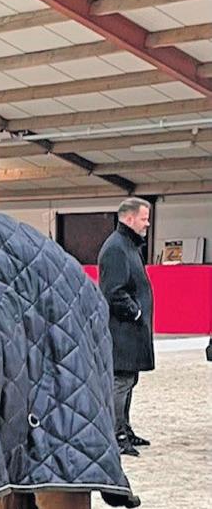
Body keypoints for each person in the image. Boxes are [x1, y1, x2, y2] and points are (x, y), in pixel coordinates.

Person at [97, 196, 155, 457]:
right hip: (121, 330)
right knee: (120, 381)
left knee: (129, 380)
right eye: (144, 219)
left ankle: (125, 429)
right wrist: (135, 312)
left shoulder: (128, 246)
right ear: (130, 219)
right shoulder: (116, 248)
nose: (147, 224)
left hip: (130, 330)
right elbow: (114, 291)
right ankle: (116, 434)